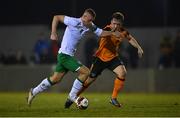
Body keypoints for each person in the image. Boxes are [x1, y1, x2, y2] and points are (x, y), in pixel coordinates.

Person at [27, 8, 121, 106]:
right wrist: (53, 33)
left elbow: (101, 33)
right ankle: (72, 96)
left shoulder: (89, 25)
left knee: (55, 79)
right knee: (86, 72)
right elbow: (56, 17)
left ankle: (33, 91)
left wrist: (112, 33)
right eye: (89, 20)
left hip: (66, 55)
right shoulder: (73, 21)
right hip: (64, 56)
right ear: (84, 16)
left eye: (91, 21)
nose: (90, 22)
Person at [65, 12, 144, 108]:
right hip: (100, 58)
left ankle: (113, 99)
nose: (115, 25)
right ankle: (72, 97)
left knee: (122, 73)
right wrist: (112, 33)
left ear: (121, 24)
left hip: (113, 58)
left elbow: (130, 38)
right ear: (111, 22)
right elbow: (101, 34)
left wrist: (139, 47)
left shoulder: (123, 31)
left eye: (118, 24)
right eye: (114, 23)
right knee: (88, 81)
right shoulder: (107, 29)